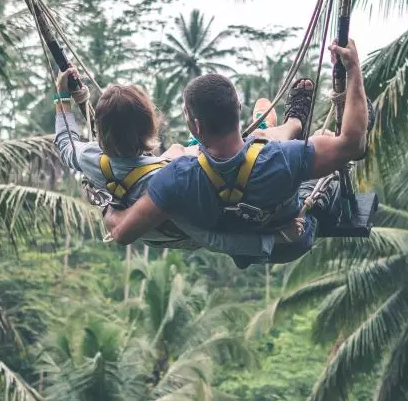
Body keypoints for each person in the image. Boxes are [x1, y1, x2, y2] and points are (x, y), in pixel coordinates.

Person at [102, 40, 369, 264]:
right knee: (316, 143)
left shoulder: (176, 178)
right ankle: (292, 124)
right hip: (291, 236)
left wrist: (107, 208)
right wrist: (353, 68)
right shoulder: (284, 160)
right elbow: (353, 144)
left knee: (259, 143)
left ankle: (288, 125)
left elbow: (123, 233)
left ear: (196, 125)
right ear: (237, 112)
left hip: (241, 245)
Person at [53, 71, 308, 261]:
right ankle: (275, 128)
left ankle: (266, 127)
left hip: (156, 235)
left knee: (180, 151)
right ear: (150, 128)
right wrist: (274, 238)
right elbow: (213, 240)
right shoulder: (172, 179)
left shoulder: (90, 159)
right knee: (217, 150)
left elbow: (66, 142)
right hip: (182, 231)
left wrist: (62, 96)